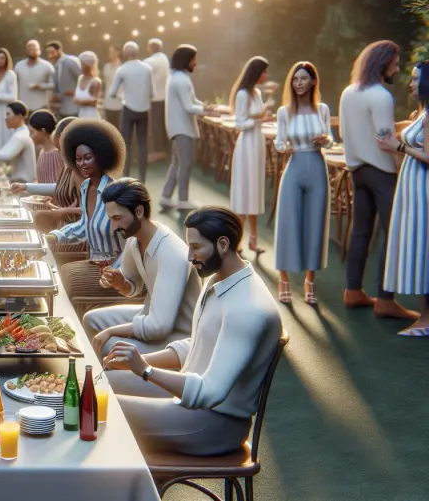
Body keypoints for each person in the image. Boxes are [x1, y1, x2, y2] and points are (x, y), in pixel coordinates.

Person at [103, 207, 283, 457]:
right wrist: (137, 362)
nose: (189, 256)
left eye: (196, 247)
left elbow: (210, 392)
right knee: (100, 384)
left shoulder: (248, 309)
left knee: (98, 405)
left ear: (223, 244)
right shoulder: (220, 279)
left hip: (215, 424)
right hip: (193, 400)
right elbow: (198, 344)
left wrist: (145, 370)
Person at [339, 40, 417, 319]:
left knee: (360, 232)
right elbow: (385, 140)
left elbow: (347, 133)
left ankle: (353, 291)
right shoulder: (381, 96)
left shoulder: (349, 92)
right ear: (383, 63)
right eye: (395, 63)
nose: (397, 68)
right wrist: (402, 165)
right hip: (381, 173)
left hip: (357, 171)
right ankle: (385, 299)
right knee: (392, 233)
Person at [87, 177, 200, 356]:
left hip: (179, 338)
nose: (114, 226)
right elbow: (132, 286)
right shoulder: (134, 240)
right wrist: (120, 282)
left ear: (139, 211)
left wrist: (111, 331)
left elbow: (159, 327)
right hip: (149, 315)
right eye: (111, 219)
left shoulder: (172, 253)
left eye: (117, 218)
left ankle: (109, 373)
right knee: (91, 320)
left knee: (109, 345)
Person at [42, 119, 129, 315]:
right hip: (93, 264)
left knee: (62, 281)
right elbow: (84, 226)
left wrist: (115, 272)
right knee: (57, 275)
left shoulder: (116, 193)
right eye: (78, 159)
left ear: (101, 156)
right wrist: (55, 235)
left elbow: (132, 243)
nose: (82, 164)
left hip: (116, 274)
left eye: (87, 158)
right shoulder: (85, 186)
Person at [273, 62, 334, 306]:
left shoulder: (322, 110)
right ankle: (283, 280)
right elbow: (279, 143)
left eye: (303, 79)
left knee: (315, 224)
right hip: (294, 166)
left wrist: (325, 139)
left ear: (313, 81)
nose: (298, 83)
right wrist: (285, 146)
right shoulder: (284, 112)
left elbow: (330, 140)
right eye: (295, 79)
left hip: (317, 167)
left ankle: (310, 281)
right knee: (287, 222)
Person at [378, 62, 429, 334]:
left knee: (424, 248)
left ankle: (426, 320)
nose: (410, 83)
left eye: (415, 79)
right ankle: (425, 317)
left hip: (423, 188)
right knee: (419, 247)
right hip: (412, 186)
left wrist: (398, 146)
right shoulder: (421, 113)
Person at [229, 56, 276, 255]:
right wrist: (260, 121)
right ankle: (236, 241)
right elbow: (240, 123)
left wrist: (266, 114)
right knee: (244, 191)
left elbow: (257, 116)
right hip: (247, 144)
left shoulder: (256, 93)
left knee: (255, 190)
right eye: (264, 71)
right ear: (256, 73)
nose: (266, 75)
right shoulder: (242, 94)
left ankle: (253, 239)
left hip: (257, 143)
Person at [161, 45, 217, 211]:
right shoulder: (181, 80)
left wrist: (205, 106)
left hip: (177, 127)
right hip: (182, 128)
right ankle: (183, 200)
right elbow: (188, 106)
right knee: (185, 164)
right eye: (193, 59)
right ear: (186, 60)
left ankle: (166, 196)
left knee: (177, 163)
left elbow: (191, 100)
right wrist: (206, 111)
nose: (195, 63)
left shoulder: (177, 77)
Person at [13, 117, 82, 232]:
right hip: (65, 230)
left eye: (61, 149)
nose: (59, 153)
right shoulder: (69, 166)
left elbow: (86, 210)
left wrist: (60, 212)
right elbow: (60, 187)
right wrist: (26, 187)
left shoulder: (81, 172)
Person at [107, 42, 153, 182]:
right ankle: (142, 178)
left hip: (128, 109)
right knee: (142, 143)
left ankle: (126, 177)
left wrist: (123, 97)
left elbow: (112, 93)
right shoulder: (147, 68)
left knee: (126, 143)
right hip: (144, 109)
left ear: (125, 53)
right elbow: (152, 92)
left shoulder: (122, 69)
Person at [0, 101, 36, 183]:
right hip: (19, 181)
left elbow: (6, 155)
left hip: (23, 183)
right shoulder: (20, 132)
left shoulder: (21, 135)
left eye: (8, 114)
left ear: (19, 117)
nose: (5, 118)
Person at [143, 38, 171, 158]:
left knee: (156, 125)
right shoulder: (164, 58)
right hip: (165, 96)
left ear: (150, 48)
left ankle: (159, 151)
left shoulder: (149, 62)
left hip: (155, 98)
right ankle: (166, 149)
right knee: (164, 124)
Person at [13, 40, 54, 112]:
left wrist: (40, 86)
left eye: (34, 48)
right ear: (26, 50)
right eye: (29, 48)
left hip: (41, 107)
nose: (32, 49)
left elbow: (54, 84)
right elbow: (12, 83)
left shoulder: (47, 66)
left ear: (39, 51)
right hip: (22, 107)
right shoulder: (19, 65)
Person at [46, 40, 81, 118]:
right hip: (59, 106)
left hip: (73, 105)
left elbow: (81, 77)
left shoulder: (71, 61)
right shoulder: (52, 65)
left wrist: (77, 91)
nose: (50, 55)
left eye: (52, 52)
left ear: (59, 50)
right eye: (48, 53)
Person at [29, 109, 62, 184]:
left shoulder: (56, 154)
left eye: (32, 132)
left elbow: (55, 184)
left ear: (43, 131)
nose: (30, 136)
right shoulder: (42, 151)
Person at [73, 51, 102, 120]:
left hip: (91, 116)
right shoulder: (80, 78)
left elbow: (94, 102)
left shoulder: (95, 81)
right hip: (81, 115)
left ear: (87, 65)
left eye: (81, 64)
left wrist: (79, 101)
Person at [102, 44, 123, 127]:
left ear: (118, 53)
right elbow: (106, 83)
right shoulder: (106, 66)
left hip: (120, 102)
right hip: (108, 102)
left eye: (112, 52)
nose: (110, 54)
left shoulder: (122, 67)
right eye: (109, 52)